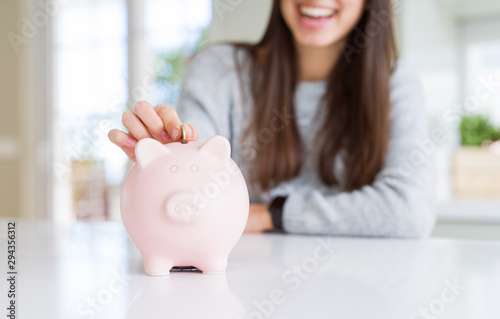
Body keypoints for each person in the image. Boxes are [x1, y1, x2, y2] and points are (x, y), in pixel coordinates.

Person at [109, 0, 435, 237]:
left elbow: (410, 211)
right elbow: (196, 198)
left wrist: (271, 215)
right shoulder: (218, 71)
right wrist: (171, 161)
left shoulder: (396, 84)